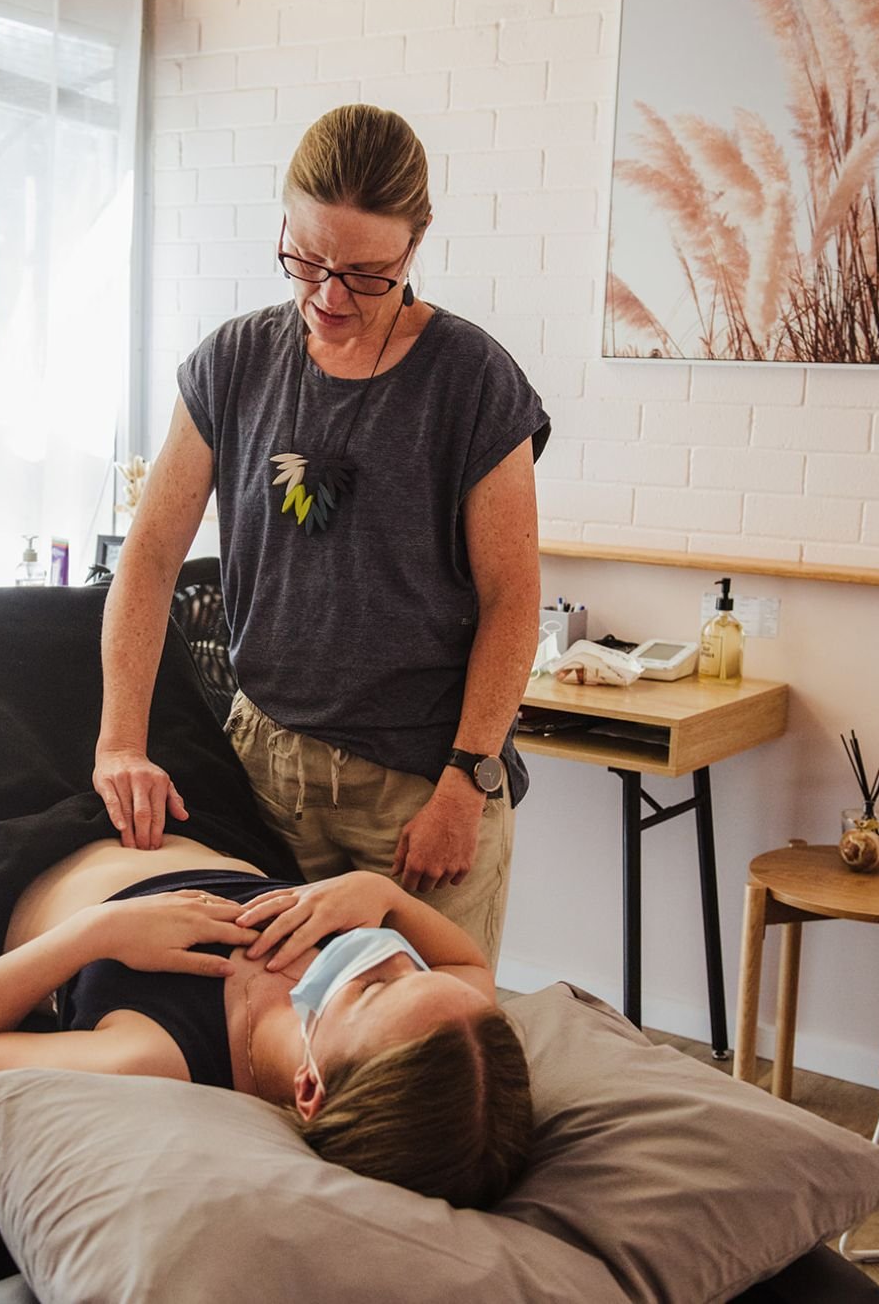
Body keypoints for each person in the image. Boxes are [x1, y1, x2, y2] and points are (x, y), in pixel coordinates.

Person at [93, 104, 549, 965]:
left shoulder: (473, 380)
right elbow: (149, 560)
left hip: (421, 790)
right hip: (264, 772)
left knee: (412, 1061)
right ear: (283, 225)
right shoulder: (233, 362)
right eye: (307, 260)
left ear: (416, 246)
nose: (331, 296)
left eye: (367, 273)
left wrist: (468, 780)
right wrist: (121, 740)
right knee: (266, 1047)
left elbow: (512, 601)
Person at [0, 834, 535, 1210]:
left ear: (310, 1089)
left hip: (10, 840)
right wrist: (382, 893)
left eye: (372, 987)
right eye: (417, 972)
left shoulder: (151, 1057)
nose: (393, 954)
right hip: (184, 807)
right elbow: (466, 962)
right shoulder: (444, 1028)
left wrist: (96, 934)